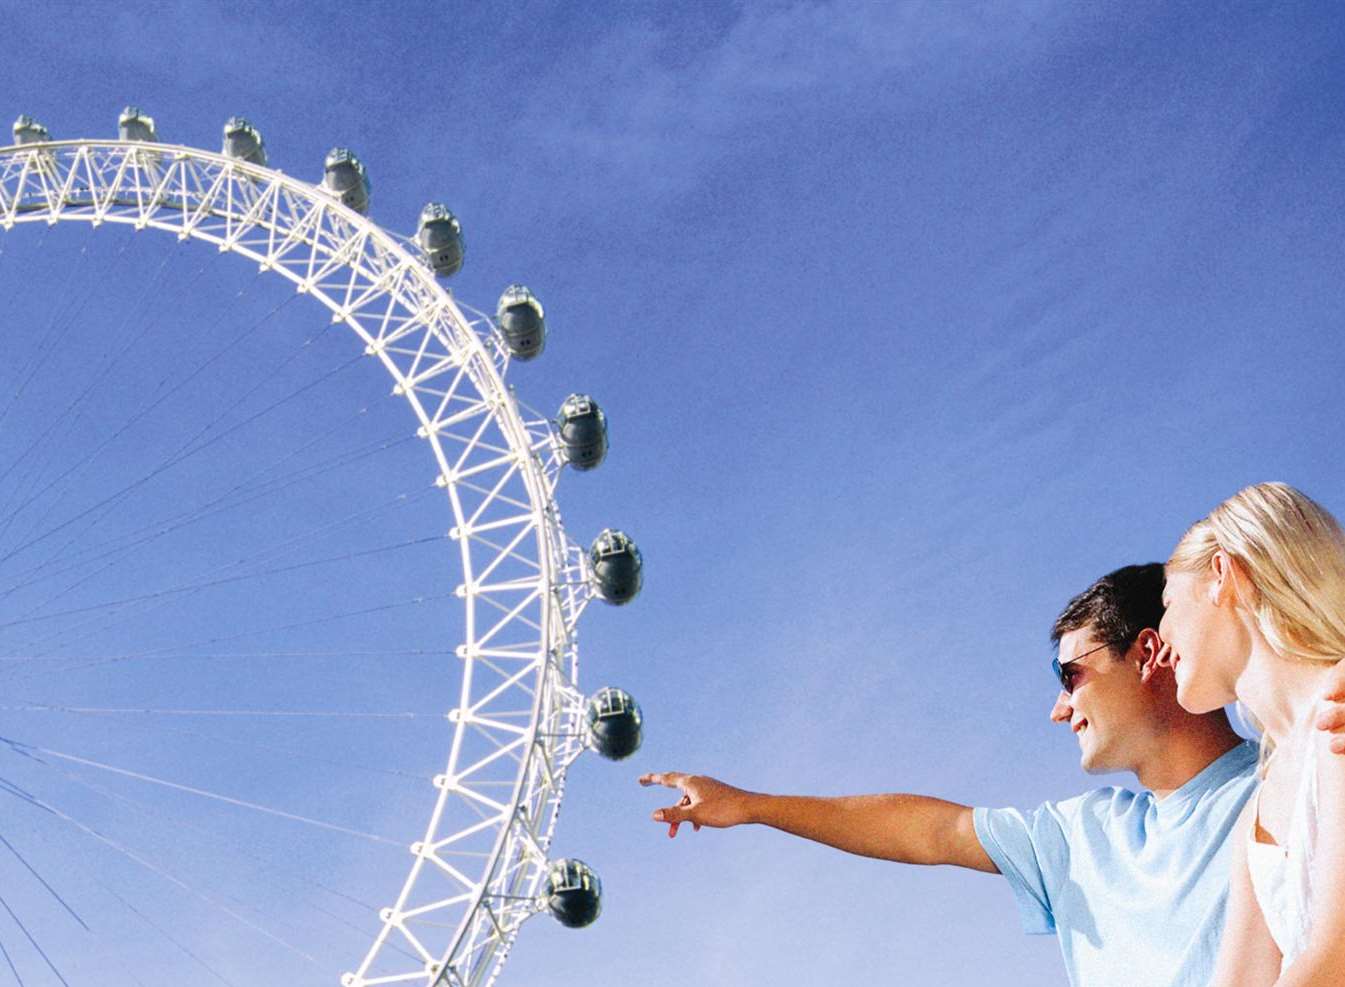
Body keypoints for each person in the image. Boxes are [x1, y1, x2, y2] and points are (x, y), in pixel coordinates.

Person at [642, 563, 1345, 986]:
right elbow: (933, 830)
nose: (1058, 707)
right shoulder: (1081, 835)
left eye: (1070, 674)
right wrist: (754, 804)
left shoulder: (1299, 771)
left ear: (1150, 652)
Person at [1159, 482, 1345, 984]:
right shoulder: (1256, 813)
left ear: (1221, 574)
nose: (1162, 639)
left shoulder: (1339, 721)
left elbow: (1335, 957)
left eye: (1169, 603)